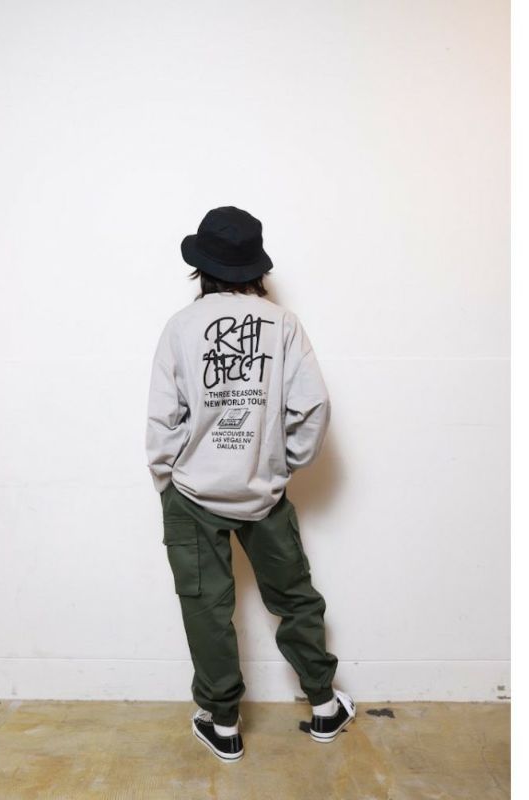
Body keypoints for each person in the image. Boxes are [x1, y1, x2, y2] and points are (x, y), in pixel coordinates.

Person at [145, 206, 356, 763]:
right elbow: (314, 405)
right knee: (294, 597)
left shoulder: (180, 327)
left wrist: (169, 478)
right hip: (263, 490)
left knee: (206, 610)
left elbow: (163, 418)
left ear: (202, 267)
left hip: (193, 495)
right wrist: (280, 463)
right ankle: (324, 704)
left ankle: (223, 724)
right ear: (255, 268)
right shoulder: (282, 324)